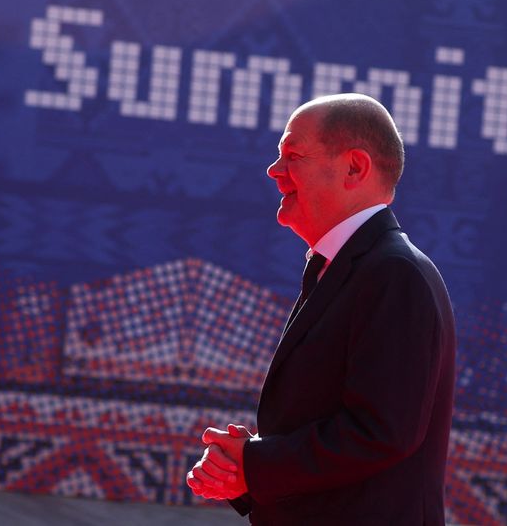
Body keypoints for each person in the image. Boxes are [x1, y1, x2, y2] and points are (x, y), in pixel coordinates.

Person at [186, 93, 456, 525]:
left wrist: (255, 465)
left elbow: (381, 433)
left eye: (292, 155)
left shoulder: (394, 274)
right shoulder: (348, 268)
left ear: (355, 167)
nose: (274, 172)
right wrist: (249, 464)